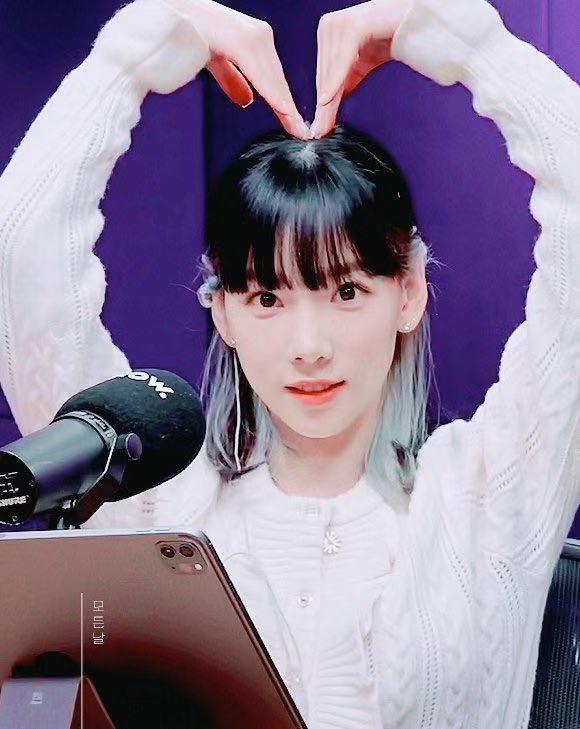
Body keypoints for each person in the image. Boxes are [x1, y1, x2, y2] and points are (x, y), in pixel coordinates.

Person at [0, 0, 578, 726]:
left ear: (408, 294)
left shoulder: (486, 495)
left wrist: (462, 38)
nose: (309, 345)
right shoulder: (151, 505)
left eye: (345, 291)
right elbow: (21, 262)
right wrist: (136, 52)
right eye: (268, 297)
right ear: (223, 312)